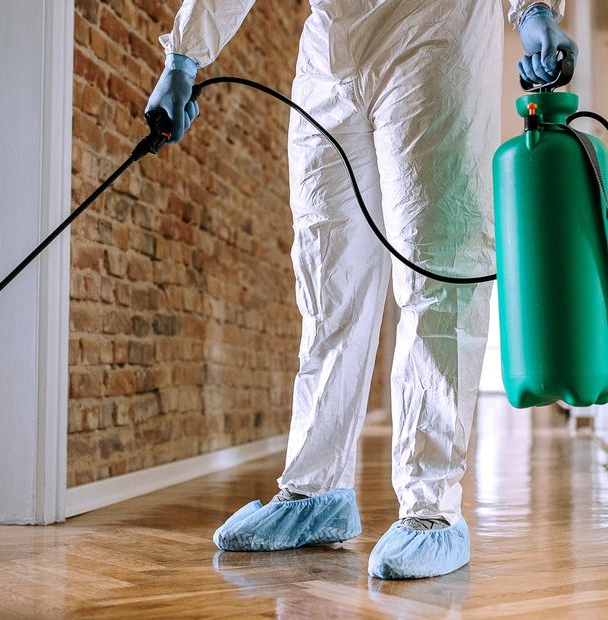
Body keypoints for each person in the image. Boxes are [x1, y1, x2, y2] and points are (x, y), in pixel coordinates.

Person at [146, 0, 576, 580]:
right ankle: (314, 493)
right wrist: (184, 55)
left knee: (436, 263)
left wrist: (533, 10)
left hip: (434, 25)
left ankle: (433, 508)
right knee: (328, 283)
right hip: (331, 46)